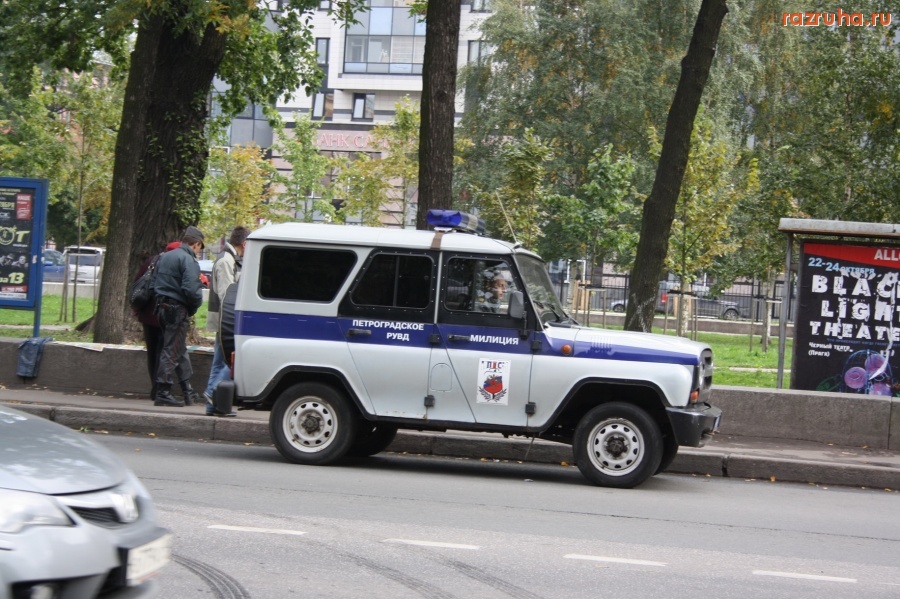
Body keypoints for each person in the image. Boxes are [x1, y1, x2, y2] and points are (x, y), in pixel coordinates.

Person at [152, 226, 205, 407]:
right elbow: (192, 290)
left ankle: (187, 391)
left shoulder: (165, 257)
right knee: (171, 351)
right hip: (177, 309)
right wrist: (194, 307)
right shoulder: (188, 260)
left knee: (177, 349)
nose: (199, 251)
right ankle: (163, 392)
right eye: (200, 247)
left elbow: (153, 283)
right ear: (196, 244)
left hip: (161, 308)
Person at [203, 226, 249, 417]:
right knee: (228, 361)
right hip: (226, 320)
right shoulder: (226, 260)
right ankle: (212, 394)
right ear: (244, 244)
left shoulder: (229, 259)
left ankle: (213, 405)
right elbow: (226, 294)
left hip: (223, 320)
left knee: (220, 362)